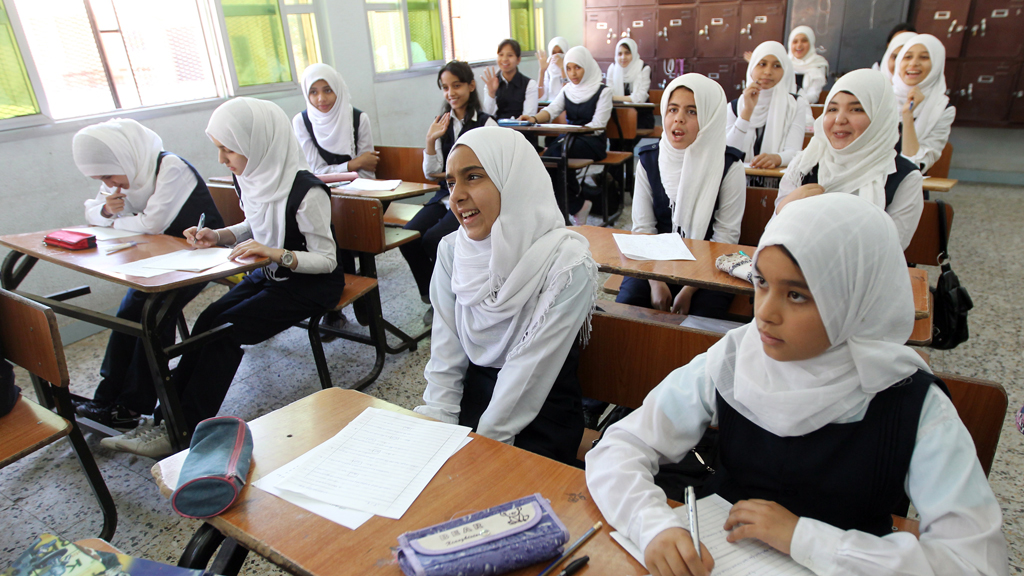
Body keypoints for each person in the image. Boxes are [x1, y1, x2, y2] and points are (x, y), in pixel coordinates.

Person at [587, 193, 1009, 576]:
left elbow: (974, 562)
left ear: (853, 299)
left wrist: (804, 539)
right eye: (762, 283)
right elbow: (620, 447)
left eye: (797, 296)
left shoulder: (913, 402)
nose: (764, 314)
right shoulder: (738, 355)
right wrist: (653, 527)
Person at [100, 98, 345, 459]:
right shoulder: (252, 176)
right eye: (219, 149)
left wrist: (275, 254)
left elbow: (326, 261)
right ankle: (166, 419)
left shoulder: (308, 191)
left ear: (257, 143)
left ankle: (182, 432)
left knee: (225, 331)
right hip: (270, 275)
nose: (222, 159)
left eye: (228, 149)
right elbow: (255, 225)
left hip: (310, 285)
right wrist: (219, 235)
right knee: (207, 320)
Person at [413, 126, 598, 465]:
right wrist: (438, 423)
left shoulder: (567, 264)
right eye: (452, 182)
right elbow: (445, 351)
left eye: (473, 177)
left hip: (541, 412)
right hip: (475, 397)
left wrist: (482, 449)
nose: (455, 196)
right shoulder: (453, 251)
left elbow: (530, 370)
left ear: (512, 179)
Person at [72, 118, 224, 429]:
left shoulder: (169, 168)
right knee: (128, 311)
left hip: (200, 256)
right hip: (156, 261)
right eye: (102, 179)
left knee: (152, 317)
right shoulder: (121, 171)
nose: (111, 186)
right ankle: (105, 397)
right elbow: (92, 213)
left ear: (123, 157)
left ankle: (129, 406)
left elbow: (151, 224)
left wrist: (115, 220)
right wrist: (105, 210)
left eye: (110, 175)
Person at [616, 74, 744, 320]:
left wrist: (688, 288)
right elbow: (643, 229)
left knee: (703, 321)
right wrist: (655, 281)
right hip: (652, 262)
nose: (679, 118)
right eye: (672, 109)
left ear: (709, 118)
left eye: (692, 111)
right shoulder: (648, 160)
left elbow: (726, 239)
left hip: (711, 267)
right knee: (627, 310)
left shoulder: (729, 166)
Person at [776, 69, 923, 250]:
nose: (839, 119)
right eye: (832, 109)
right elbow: (774, 236)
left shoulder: (905, 178)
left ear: (880, 116)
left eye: (856, 109)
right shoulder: (804, 164)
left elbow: (892, 249)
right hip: (794, 270)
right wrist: (785, 207)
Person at [401, 61, 497, 324]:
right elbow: (431, 172)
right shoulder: (441, 123)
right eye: (445, 87)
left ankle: (452, 297)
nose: (450, 92)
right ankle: (432, 297)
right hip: (444, 194)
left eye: (456, 85)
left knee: (433, 240)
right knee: (408, 237)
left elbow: (492, 170)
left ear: (471, 86)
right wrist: (430, 140)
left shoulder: (486, 123)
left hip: (470, 198)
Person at [521, 46, 613, 225]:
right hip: (570, 140)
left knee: (556, 156)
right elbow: (551, 110)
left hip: (592, 142)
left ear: (587, 66)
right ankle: (573, 207)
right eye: (569, 68)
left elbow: (599, 124)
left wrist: (574, 131)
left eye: (577, 67)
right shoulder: (567, 90)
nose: (573, 73)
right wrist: (532, 118)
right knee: (548, 159)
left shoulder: (603, 91)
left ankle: (570, 208)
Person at [726, 41, 809, 169]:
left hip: (775, 181)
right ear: (751, 68)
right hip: (739, 179)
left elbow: (794, 151)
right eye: (762, 64)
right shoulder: (735, 106)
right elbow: (728, 151)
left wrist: (776, 158)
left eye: (776, 66)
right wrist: (747, 112)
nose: (768, 71)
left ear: (785, 71)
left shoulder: (795, 105)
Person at [292, 63, 377, 179]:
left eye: (327, 91)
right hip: (323, 191)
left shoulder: (359, 118)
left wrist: (354, 169)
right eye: (313, 92)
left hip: (361, 190)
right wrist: (353, 164)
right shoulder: (301, 122)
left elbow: (367, 169)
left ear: (337, 89)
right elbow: (315, 171)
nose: (321, 99)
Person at [892, 34, 955, 173]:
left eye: (924, 57)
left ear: (937, 64)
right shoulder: (882, 97)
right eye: (907, 57)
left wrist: (908, 115)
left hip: (908, 186)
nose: (913, 63)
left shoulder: (943, 109)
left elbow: (915, 164)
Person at [481, 39, 539, 120]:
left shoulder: (529, 84)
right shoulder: (491, 83)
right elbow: (486, 115)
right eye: (501, 55)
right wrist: (491, 93)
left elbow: (527, 117)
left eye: (510, 55)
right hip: (496, 130)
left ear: (518, 59)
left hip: (520, 130)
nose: (504, 59)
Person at [607, 38, 654, 131]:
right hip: (618, 115)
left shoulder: (643, 68)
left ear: (634, 53)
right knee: (614, 134)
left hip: (640, 115)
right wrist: (626, 99)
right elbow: (608, 93)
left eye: (627, 53)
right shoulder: (613, 68)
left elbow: (640, 98)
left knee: (625, 139)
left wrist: (615, 98)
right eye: (620, 54)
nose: (623, 57)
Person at [787, 26, 829, 105]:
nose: (799, 45)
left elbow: (813, 96)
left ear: (811, 42)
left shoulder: (818, 64)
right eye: (795, 41)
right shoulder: (784, 64)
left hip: (808, 109)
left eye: (804, 41)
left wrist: (793, 101)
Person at [538, 37, 569, 102]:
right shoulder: (548, 68)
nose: (557, 55)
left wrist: (563, 69)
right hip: (551, 105)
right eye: (554, 53)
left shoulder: (571, 68)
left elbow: (567, 95)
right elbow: (540, 97)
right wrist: (542, 71)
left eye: (561, 52)